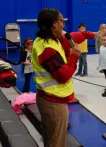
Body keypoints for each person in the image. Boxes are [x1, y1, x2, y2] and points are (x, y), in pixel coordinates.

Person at [32, 8, 83, 147]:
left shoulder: (47, 39)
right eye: (62, 21)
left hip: (51, 98)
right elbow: (63, 75)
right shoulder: (47, 48)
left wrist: (90, 35)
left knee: (52, 140)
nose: (63, 24)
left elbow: (72, 36)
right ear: (54, 23)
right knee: (56, 143)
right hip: (53, 102)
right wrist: (74, 56)